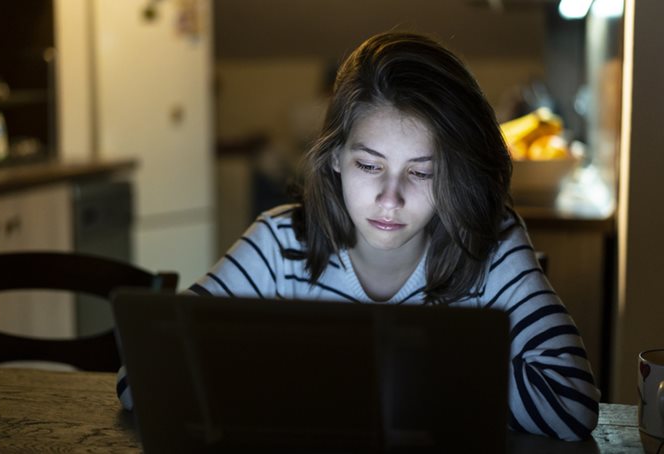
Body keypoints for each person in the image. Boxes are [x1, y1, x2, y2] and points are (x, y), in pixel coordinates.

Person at [117, 31, 600, 441]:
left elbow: (572, 402)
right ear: (333, 158)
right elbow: (142, 376)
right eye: (369, 166)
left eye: (422, 172)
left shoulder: (489, 243)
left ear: (455, 175)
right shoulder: (280, 242)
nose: (390, 199)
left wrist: (349, 373)